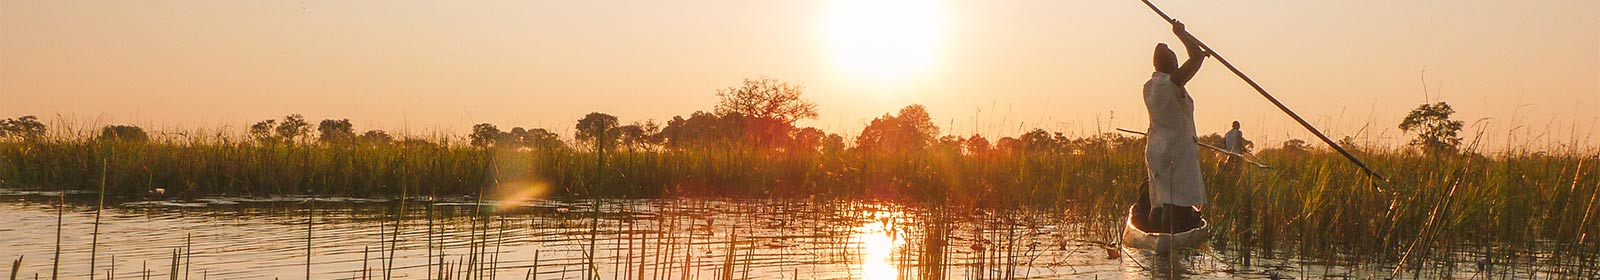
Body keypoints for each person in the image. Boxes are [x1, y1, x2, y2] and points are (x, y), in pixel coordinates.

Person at [1136, 20, 1208, 233]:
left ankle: (1155, 233)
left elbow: (1195, 58)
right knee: (1177, 200)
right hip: (1177, 151)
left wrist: (1199, 54)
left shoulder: (1149, 86)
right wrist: (1182, 34)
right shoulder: (1172, 83)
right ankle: (1170, 240)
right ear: (1171, 65)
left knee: (1161, 199)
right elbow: (1195, 58)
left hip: (1157, 151)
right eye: (1175, 62)